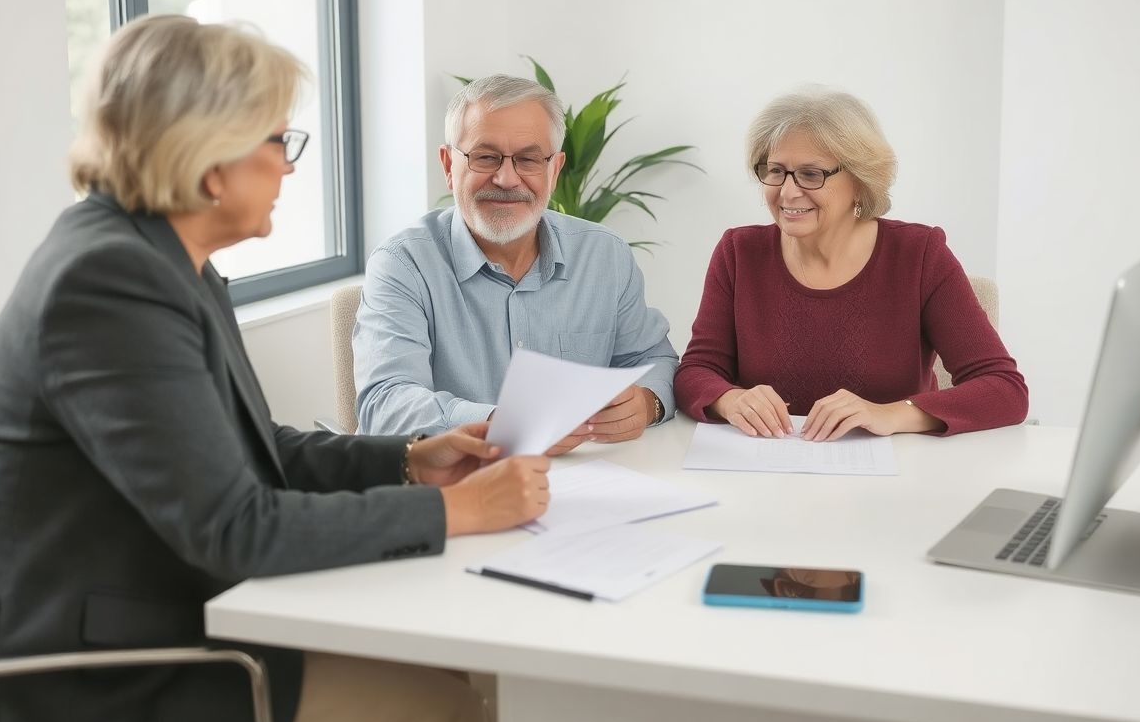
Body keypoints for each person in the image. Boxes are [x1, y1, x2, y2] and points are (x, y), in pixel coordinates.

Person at [0, 16, 550, 722]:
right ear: (211, 158)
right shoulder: (109, 284)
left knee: (446, 665)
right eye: (278, 141)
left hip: (163, 612)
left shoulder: (159, 259)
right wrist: (465, 511)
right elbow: (237, 528)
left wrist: (409, 461)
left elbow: (250, 444)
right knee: (445, 705)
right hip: (93, 675)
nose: (289, 167)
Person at [675, 85, 1027, 439]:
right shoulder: (739, 253)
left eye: (811, 174)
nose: (787, 191)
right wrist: (729, 399)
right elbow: (696, 371)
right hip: (765, 470)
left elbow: (1004, 390)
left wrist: (892, 415)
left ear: (860, 181)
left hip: (896, 478)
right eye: (776, 170)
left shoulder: (919, 255)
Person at [353, 74, 678, 453]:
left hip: (586, 483)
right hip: (457, 490)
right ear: (448, 165)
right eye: (485, 157)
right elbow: (386, 403)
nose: (507, 179)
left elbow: (653, 358)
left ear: (554, 170)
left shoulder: (605, 255)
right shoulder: (402, 265)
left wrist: (647, 402)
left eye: (528, 159)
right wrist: (502, 426)